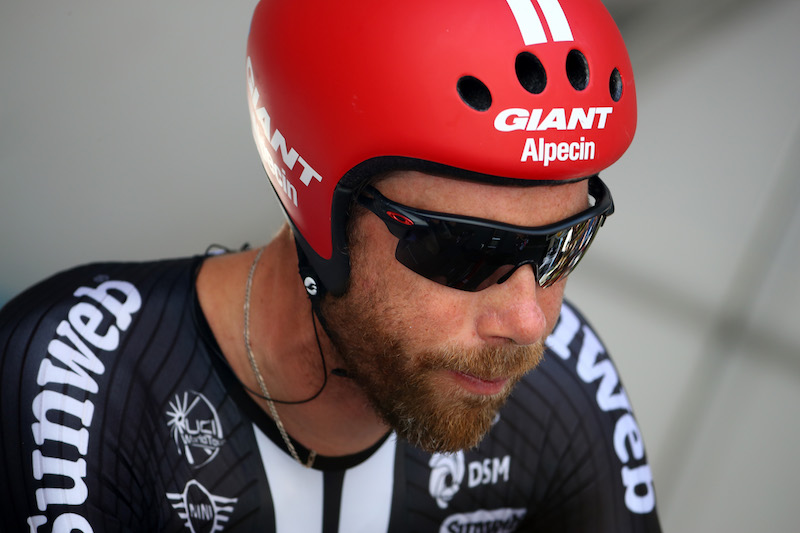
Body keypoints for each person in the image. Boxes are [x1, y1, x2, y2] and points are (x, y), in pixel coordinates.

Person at [0, 0, 662, 531]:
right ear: (320, 207)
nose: (528, 322)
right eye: (466, 253)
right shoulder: (80, 386)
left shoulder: (567, 390)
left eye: (564, 245)